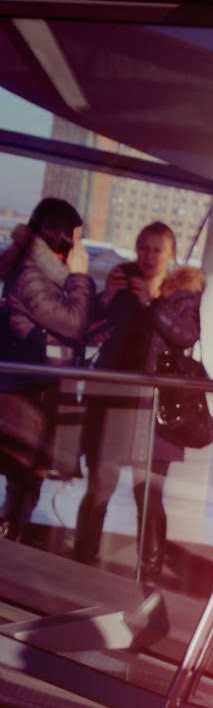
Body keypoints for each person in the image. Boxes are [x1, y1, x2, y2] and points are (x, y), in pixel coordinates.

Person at [73, 220, 205, 581]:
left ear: (171, 254)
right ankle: (82, 558)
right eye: (143, 248)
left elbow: (186, 335)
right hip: (114, 402)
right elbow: (90, 327)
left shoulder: (183, 294)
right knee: (100, 484)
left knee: (148, 494)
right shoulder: (123, 283)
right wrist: (106, 298)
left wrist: (152, 302)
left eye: (157, 250)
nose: (148, 256)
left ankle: (149, 573)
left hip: (155, 410)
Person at [0, 197, 94, 543]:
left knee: (25, 485)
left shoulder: (42, 275)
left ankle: (9, 547)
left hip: (34, 395)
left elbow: (77, 323)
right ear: (61, 235)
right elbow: (72, 322)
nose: (80, 246)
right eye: (77, 236)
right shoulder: (31, 277)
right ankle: (8, 552)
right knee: (22, 487)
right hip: (26, 400)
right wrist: (81, 277)